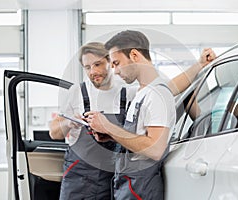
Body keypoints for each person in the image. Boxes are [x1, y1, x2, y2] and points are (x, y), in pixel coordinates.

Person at [85, 30, 176, 200]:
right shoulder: (142, 92)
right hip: (129, 185)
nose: (116, 71)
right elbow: (139, 138)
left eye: (117, 63)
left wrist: (109, 127)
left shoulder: (157, 95)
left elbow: (155, 149)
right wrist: (111, 135)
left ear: (134, 55)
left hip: (141, 189)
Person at [49, 42, 136, 200]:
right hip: (79, 178)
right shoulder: (77, 92)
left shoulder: (128, 93)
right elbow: (54, 133)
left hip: (113, 178)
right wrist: (68, 123)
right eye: (87, 67)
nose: (93, 71)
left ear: (110, 62)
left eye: (98, 64)